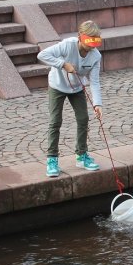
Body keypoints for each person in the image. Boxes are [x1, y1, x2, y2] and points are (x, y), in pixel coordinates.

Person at [37, 20, 104, 177]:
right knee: (55, 121)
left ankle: (81, 155)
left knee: (83, 119)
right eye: (89, 42)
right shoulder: (67, 45)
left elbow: (94, 81)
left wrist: (97, 103)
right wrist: (62, 64)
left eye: (95, 43)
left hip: (77, 89)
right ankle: (52, 159)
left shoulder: (96, 56)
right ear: (80, 37)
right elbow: (42, 55)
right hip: (57, 86)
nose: (91, 47)